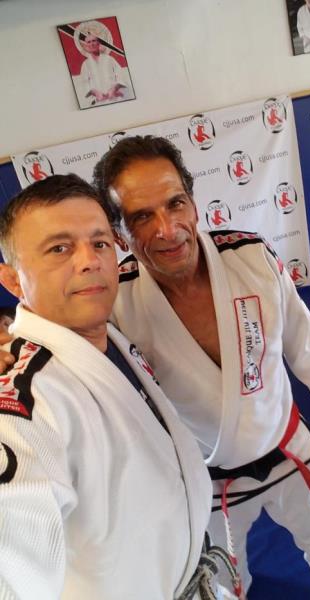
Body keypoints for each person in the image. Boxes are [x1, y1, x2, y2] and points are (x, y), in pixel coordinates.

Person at [92, 135, 310, 599]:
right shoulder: (115, 303)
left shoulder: (251, 257)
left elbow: (308, 351)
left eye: (175, 204)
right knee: (221, 575)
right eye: (142, 217)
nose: (167, 229)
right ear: (120, 234)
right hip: (207, 474)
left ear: (193, 203)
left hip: (287, 447)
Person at [0, 174, 230, 599]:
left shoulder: (110, 336)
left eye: (100, 242)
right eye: (59, 248)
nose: (90, 260)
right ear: (13, 280)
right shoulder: (25, 402)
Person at [74, 21, 130, 107]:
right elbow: (84, 83)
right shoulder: (86, 64)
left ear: (98, 43)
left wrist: (114, 88)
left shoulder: (110, 59)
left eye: (94, 41)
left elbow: (120, 75)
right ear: (86, 46)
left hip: (115, 98)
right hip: (98, 101)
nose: (92, 44)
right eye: (89, 42)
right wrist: (95, 92)